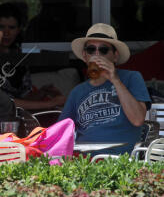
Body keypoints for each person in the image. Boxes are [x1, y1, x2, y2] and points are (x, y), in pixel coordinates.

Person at [59, 23, 151, 155]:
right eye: (91, 49)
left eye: (103, 50)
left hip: (121, 161)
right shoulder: (77, 91)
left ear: (115, 56)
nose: (97, 54)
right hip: (84, 163)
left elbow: (137, 120)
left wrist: (115, 79)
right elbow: (61, 131)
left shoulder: (131, 78)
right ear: (85, 55)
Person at [0, 3, 66, 111]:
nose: (6, 32)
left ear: (19, 29)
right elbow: (1, 102)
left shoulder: (19, 55)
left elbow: (23, 99)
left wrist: (42, 92)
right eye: (1, 27)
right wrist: (50, 104)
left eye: (11, 27)